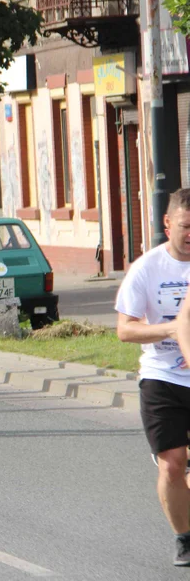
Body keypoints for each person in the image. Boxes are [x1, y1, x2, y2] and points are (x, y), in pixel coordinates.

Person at [126, 189, 190, 566]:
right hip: (161, 377)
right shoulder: (147, 268)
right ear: (167, 224)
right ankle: (184, 537)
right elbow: (125, 329)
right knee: (172, 462)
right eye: (185, 226)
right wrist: (170, 332)